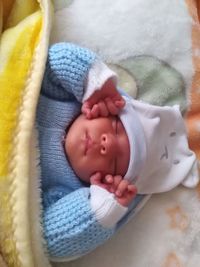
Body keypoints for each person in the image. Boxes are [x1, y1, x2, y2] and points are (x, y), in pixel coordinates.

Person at [37, 42, 199, 261]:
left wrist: (100, 210)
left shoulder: (66, 191)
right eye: (115, 126)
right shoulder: (60, 98)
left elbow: (48, 242)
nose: (107, 143)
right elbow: (51, 60)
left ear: (104, 182)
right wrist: (95, 83)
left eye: (114, 162)